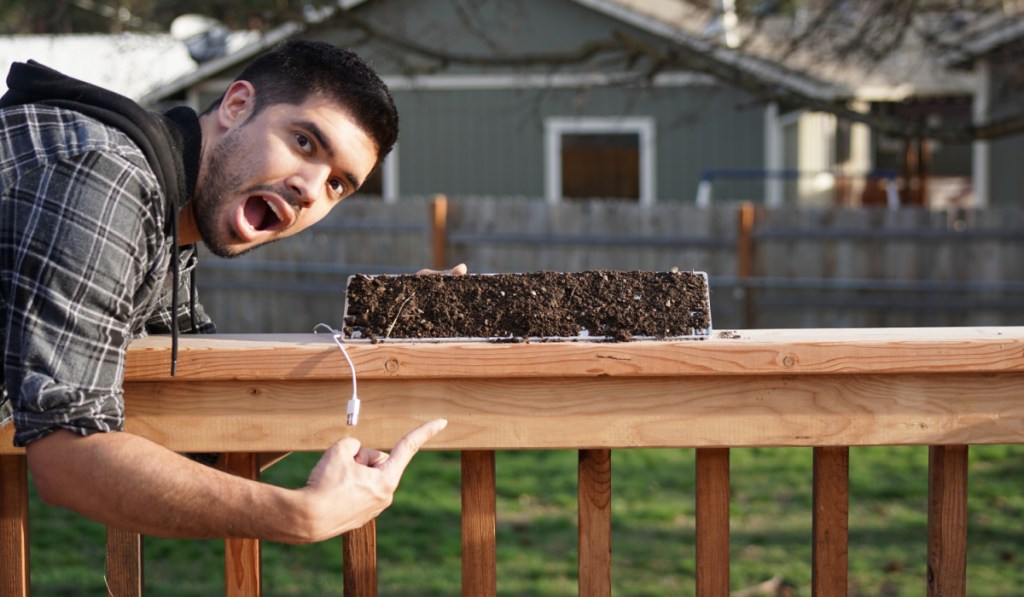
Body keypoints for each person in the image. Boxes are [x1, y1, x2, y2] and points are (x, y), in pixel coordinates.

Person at [0, 40, 450, 543]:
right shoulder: (109, 176)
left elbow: (203, 439)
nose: (310, 189)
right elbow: (67, 453)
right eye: (304, 142)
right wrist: (297, 516)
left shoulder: (168, 229)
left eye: (337, 185)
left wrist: (373, 350)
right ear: (236, 106)